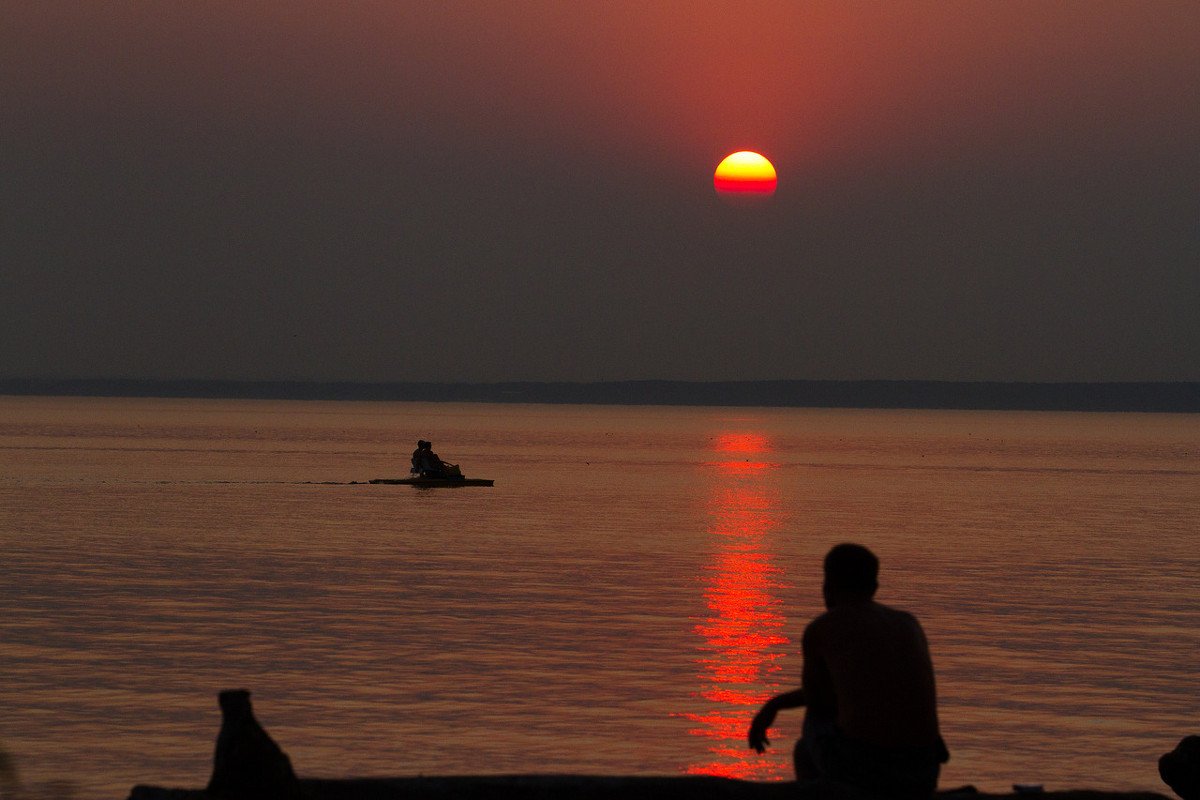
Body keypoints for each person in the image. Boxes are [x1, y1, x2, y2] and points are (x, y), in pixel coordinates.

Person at [748, 543, 948, 797]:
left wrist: (773, 705)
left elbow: (819, 700)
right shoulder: (908, 623)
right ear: (874, 588)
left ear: (826, 588)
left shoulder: (823, 628)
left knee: (808, 739)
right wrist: (776, 704)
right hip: (924, 771)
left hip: (867, 771)